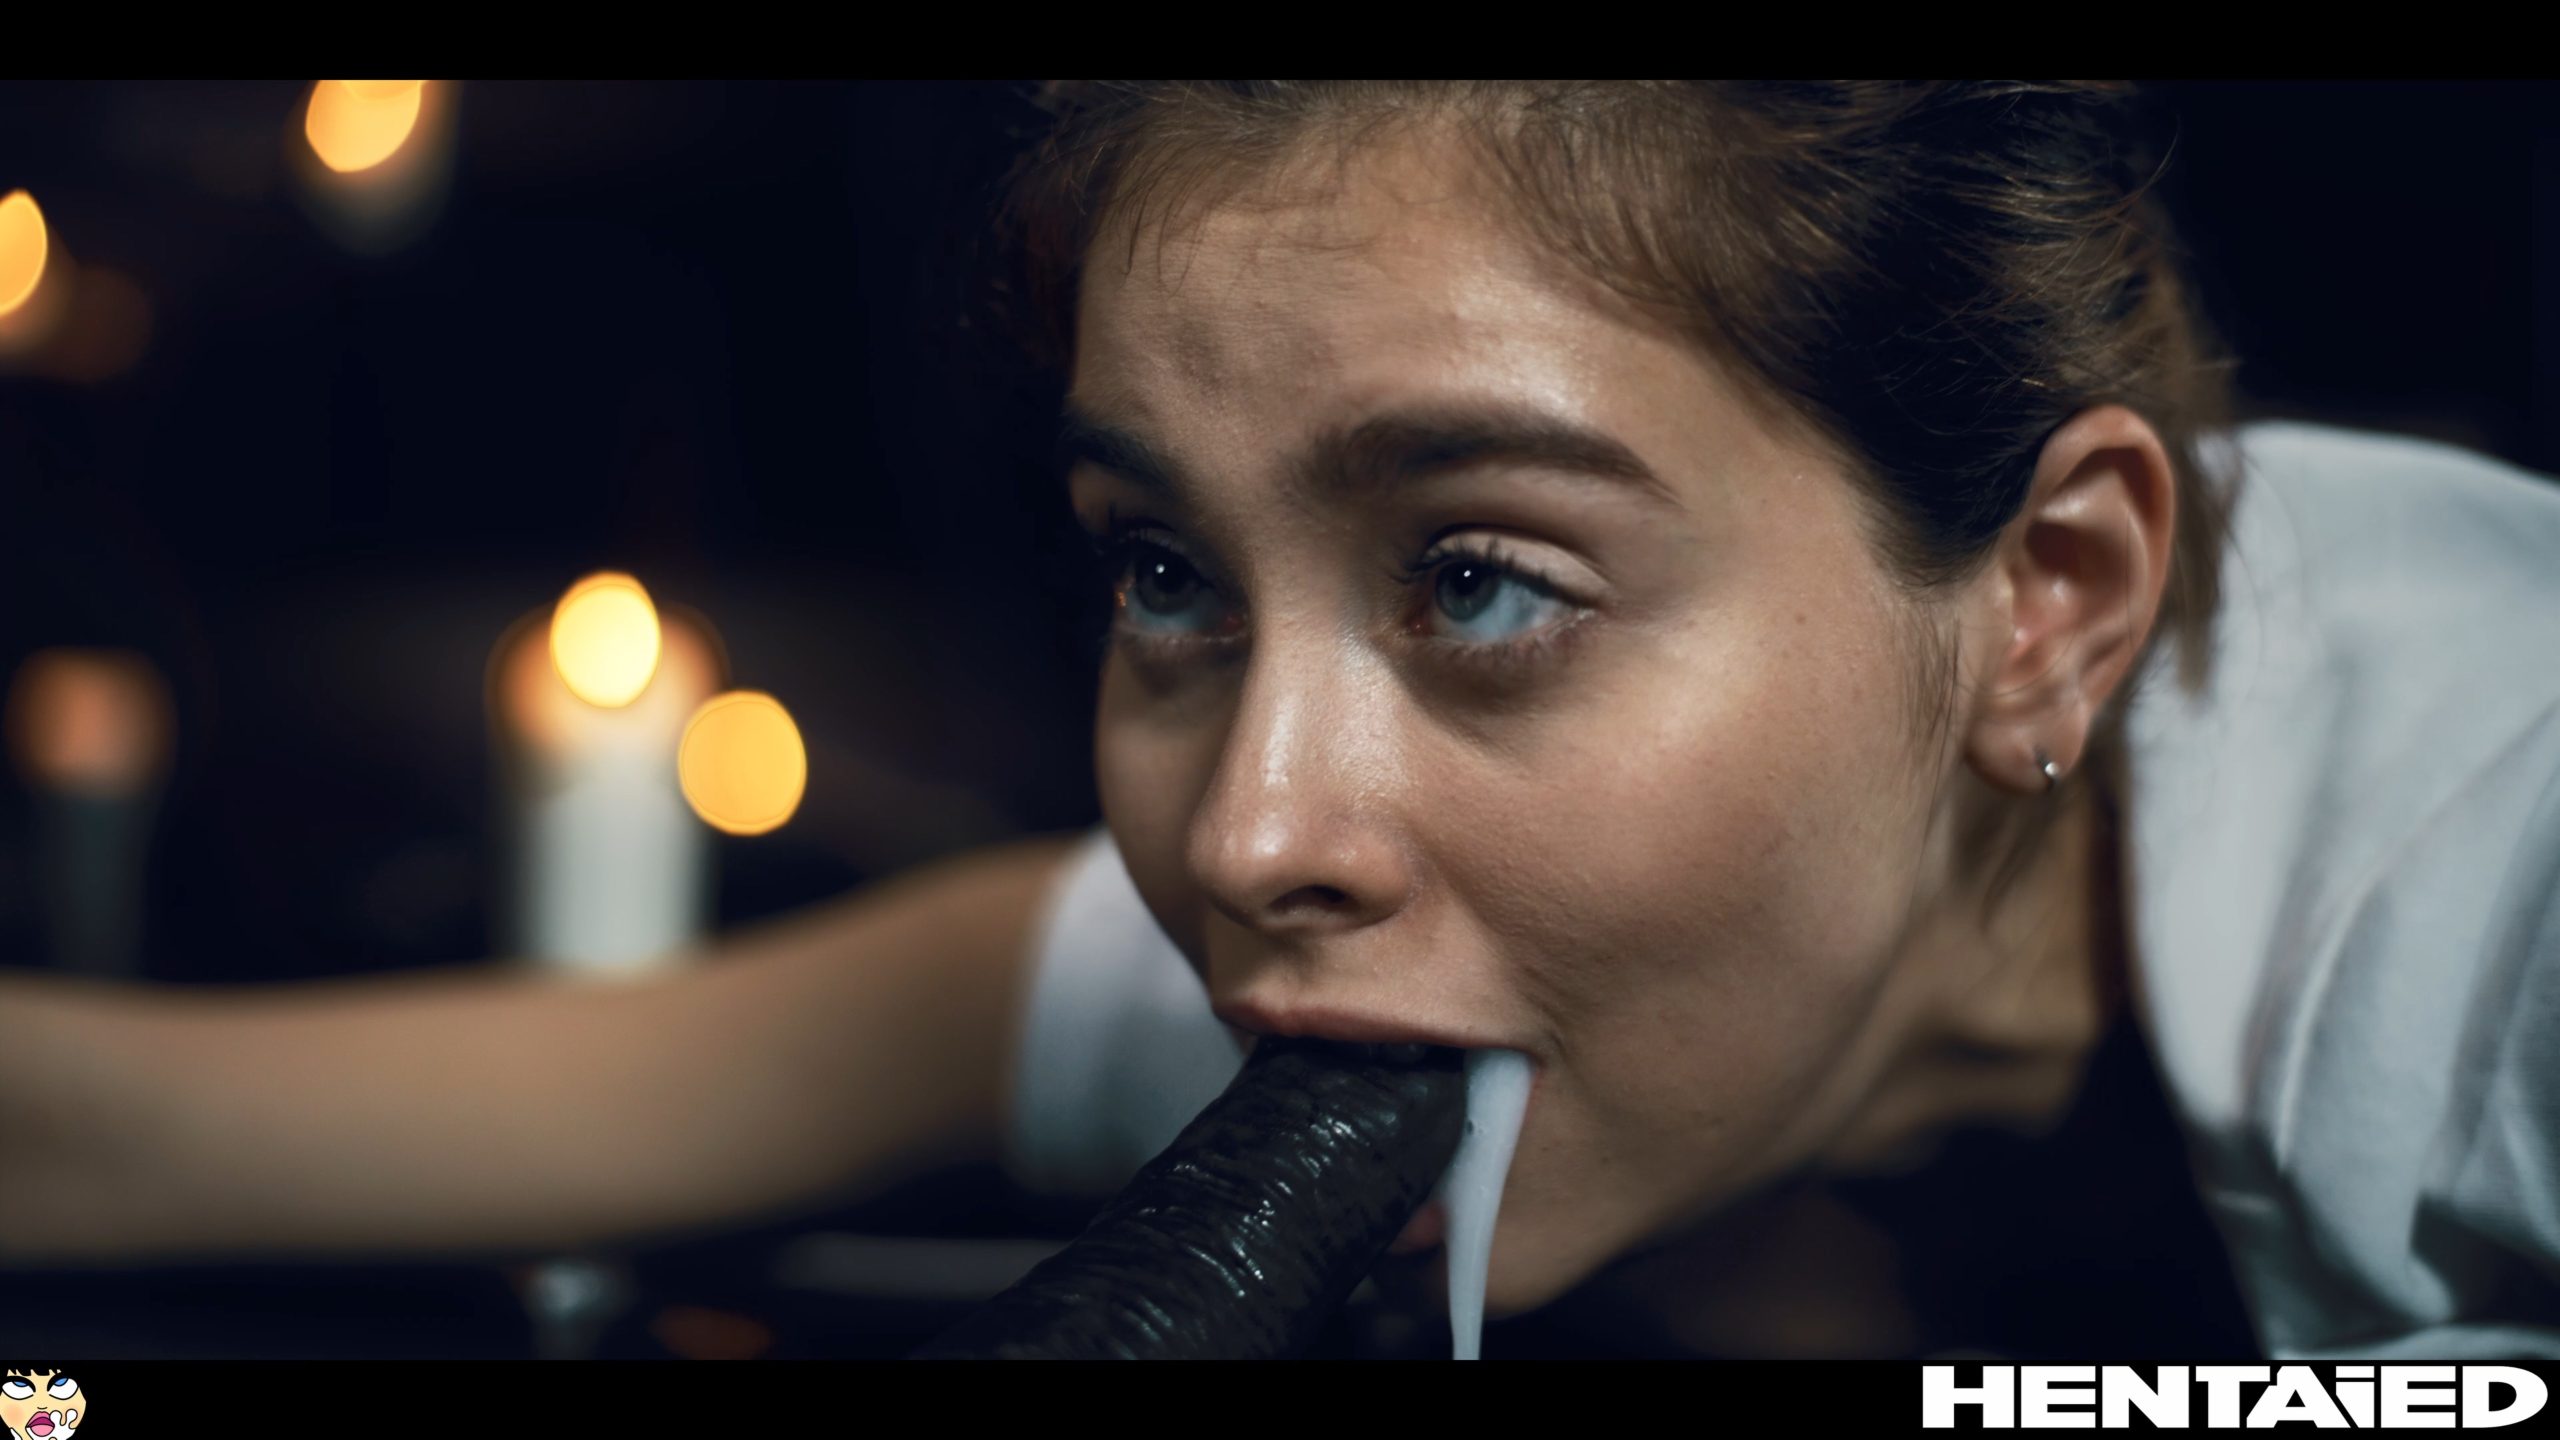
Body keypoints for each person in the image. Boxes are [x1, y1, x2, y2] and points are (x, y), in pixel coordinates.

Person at [2, 80, 2554, 1360]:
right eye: (1165, 577)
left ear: (2044, 606)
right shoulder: (1412, 956)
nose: (1242, 837)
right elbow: (107, 1131)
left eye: (1479, 580)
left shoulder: (2508, 925)